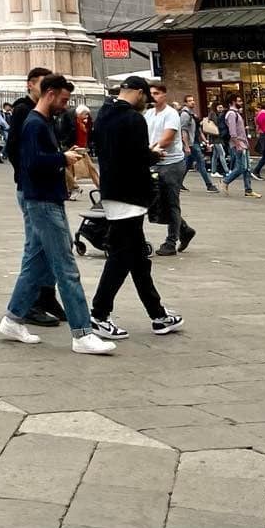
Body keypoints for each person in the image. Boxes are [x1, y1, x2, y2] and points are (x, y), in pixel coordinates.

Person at [0, 75, 115, 356]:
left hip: (46, 198)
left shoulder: (41, 123)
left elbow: (38, 159)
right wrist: (62, 159)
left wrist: (64, 154)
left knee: (38, 263)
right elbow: (31, 164)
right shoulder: (34, 124)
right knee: (65, 267)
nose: (66, 105)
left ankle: (12, 319)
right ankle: (82, 333)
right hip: (43, 201)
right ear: (49, 94)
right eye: (63, 100)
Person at [88, 77, 184, 339]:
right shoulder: (133, 119)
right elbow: (138, 157)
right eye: (146, 97)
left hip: (111, 190)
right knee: (121, 257)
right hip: (130, 194)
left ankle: (158, 314)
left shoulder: (104, 114)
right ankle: (98, 314)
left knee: (138, 257)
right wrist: (154, 155)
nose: (147, 103)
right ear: (139, 93)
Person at [5, 67, 68, 329]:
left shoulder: (46, 114)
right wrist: (26, 175)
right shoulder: (25, 112)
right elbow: (14, 149)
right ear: (31, 85)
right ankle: (28, 304)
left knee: (44, 247)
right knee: (35, 247)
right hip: (32, 189)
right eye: (44, 84)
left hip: (45, 187)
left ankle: (46, 296)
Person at [145, 83, 193, 256]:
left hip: (172, 163)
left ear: (164, 95)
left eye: (156, 93)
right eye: (150, 94)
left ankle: (171, 242)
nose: (153, 97)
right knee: (159, 202)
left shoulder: (171, 114)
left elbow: (167, 139)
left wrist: (148, 150)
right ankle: (185, 230)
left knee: (171, 202)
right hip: (154, 161)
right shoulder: (148, 114)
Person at [222, 95, 260, 197]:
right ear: (233, 102)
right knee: (241, 167)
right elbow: (232, 132)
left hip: (243, 143)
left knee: (247, 167)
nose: (241, 102)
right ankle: (226, 181)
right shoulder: (231, 114)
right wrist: (237, 144)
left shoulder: (236, 114)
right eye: (239, 101)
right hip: (238, 144)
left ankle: (248, 190)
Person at [178, 93, 217, 192]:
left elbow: (198, 130)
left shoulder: (193, 114)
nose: (193, 102)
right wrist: (186, 145)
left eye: (193, 100)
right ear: (185, 103)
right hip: (191, 143)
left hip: (195, 141)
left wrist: (205, 141)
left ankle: (178, 183)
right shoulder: (185, 115)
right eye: (190, 100)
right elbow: (184, 131)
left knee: (187, 164)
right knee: (201, 163)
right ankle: (209, 185)